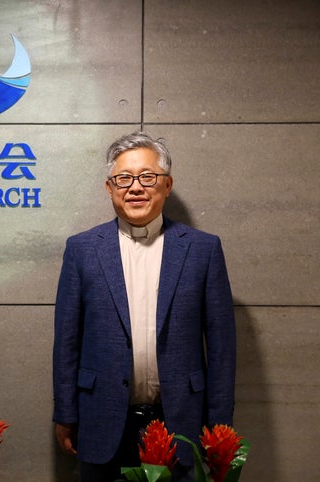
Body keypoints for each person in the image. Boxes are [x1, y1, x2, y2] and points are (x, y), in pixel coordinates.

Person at [52, 131, 236, 482]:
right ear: (110, 188)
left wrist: (220, 423)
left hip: (182, 422)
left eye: (147, 177)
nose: (135, 187)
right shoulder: (82, 249)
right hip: (101, 420)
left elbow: (222, 347)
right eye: (123, 178)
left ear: (167, 185)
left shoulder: (202, 250)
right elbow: (67, 342)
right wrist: (65, 412)